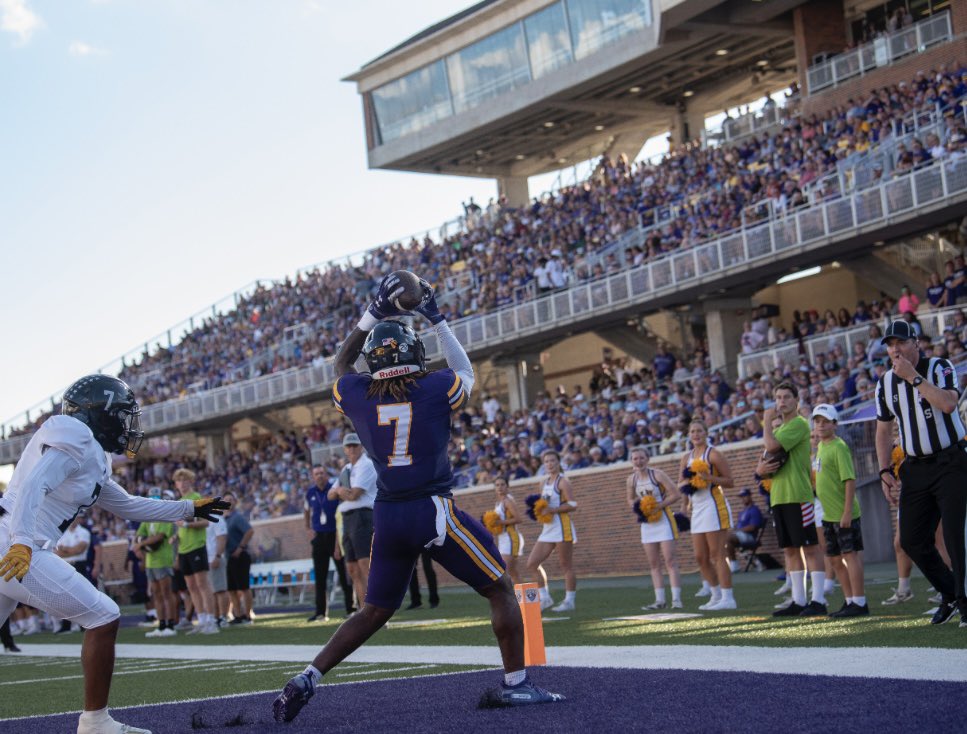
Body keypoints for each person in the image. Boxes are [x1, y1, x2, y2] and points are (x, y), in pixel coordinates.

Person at [273, 275, 563, 723]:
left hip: (388, 515)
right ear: (412, 353)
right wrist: (437, 317)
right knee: (500, 587)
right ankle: (516, 685)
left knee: (373, 611)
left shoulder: (356, 396)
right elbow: (465, 371)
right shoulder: (433, 389)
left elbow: (341, 363)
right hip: (432, 511)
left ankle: (307, 677)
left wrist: (372, 313)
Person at [0, 374, 228, 734]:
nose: (126, 423)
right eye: (121, 414)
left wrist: (187, 509)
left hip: (13, 541)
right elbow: (35, 483)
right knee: (103, 615)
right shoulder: (74, 434)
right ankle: (95, 723)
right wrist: (22, 541)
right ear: (99, 412)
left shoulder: (94, 455)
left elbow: (127, 505)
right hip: (16, 545)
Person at [875, 320, 967, 626]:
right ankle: (950, 592)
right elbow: (883, 430)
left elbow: (949, 404)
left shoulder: (939, 366)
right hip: (915, 466)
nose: (895, 349)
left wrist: (913, 378)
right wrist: (885, 469)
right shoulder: (885, 382)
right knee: (912, 540)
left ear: (916, 343)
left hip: (950, 461)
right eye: (890, 344)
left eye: (900, 342)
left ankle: (964, 602)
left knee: (955, 536)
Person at [758, 382, 827, 617]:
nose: (781, 401)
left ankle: (818, 599)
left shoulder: (798, 424)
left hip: (798, 494)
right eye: (778, 397)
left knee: (810, 548)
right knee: (789, 550)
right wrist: (760, 469)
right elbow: (765, 464)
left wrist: (766, 421)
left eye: (786, 397)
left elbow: (771, 446)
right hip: (779, 496)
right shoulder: (780, 429)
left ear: (796, 400)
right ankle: (798, 600)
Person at [812, 404, 868, 617]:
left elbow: (849, 479)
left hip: (843, 515)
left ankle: (860, 602)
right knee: (834, 559)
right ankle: (849, 600)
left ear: (835, 424)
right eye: (817, 421)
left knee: (849, 555)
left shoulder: (839, 446)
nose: (821, 425)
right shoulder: (821, 447)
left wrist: (846, 511)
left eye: (826, 421)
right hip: (828, 515)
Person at [680, 420, 736, 610]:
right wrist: (684, 504)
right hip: (697, 509)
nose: (696, 434)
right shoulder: (686, 457)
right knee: (700, 557)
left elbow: (730, 481)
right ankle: (715, 595)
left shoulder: (713, 454)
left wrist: (709, 478)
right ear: (689, 434)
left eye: (699, 431)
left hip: (714, 505)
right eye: (692, 431)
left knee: (717, 554)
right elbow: (682, 484)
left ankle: (728, 598)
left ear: (706, 432)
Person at [626, 447, 682, 610]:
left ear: (647, 459)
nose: (639, 461)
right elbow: (630, 499)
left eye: (642, 458)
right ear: (632, 461)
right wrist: (639, 507)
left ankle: (677, 600)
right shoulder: (631, 479)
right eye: (635, 459)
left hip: (664, 520)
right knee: (654, 563)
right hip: (647, 523)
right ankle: (660, 600)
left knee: (670, 560)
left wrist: (658, 506)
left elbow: (676, 494)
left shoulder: (657, 474)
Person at [329, 433, 377, 612]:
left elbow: (354, 494)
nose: (351, 449)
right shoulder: (346, 469)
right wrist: (343, 491)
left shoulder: (367, 465)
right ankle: (363, 610)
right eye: (348, 447)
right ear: (344, 449)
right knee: (352, 568)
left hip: (362, 516)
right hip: (347, 520)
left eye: (355, 446)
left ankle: (376, 609)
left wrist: (340, 491)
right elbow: (330, 494)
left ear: (361, 447)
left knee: (366, 564)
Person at [525, 449, 578, 612]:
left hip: (562, 527)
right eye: (546, 461)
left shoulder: (563, 482)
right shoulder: (543, 483)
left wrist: (552, 510)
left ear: (558, 462)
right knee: (532, 563)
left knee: (565, 565)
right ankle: (545, 598)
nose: (549, 464)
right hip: (547, 529)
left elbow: (573, 505)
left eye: (553, 461)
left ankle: (569, 601)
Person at [172, 469, 219, 635]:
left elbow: (206, 523)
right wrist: (176, 542)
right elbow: (179, 528)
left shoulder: (197, 498)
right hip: (184, 549)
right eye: (179, 481)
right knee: (191, 586)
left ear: (190, 482)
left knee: (202, 584)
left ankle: (212, 621)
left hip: (197, 546)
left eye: (185, 481)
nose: (182, 484)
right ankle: (202, 620)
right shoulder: (179, 501)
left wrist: (186, 525)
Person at [304, 464, 352, 622]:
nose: (319, 476)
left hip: (335, 536)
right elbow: (306, 510)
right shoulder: (310, 493)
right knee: (320, 576)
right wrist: (307, 528)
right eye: (316, 473)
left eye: (322, 473)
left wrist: (340, 539)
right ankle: (321, 613)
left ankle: (351, 609)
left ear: (326, 474)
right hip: (319, 538)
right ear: (313, 476)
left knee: (343, 574)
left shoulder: (334, 490)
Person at [135, 491, 179, 637]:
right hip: (150, 561)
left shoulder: (164, 516)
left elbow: (159, 537)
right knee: (157, 594)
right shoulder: (147, 518)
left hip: (163, 559)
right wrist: (140, 544)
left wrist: (141, 544)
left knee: (166, 593)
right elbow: (138, 535)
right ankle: (161, 625)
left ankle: (171, 624)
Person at [223, 491, 255, 625]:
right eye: (226, 500)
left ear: (235, 502)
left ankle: (248, 615)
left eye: (231, 499)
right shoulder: (222, 519)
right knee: (231, 589)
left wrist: (240, 547)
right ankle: (238, 615)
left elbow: (250, 531)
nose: (229, 502)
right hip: (228, 557)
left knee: (243, 587)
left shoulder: (237, 517)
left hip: (239, 556)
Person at [493, 476, 524, 585]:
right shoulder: (498, 503)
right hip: (503, 538)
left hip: (511, 537)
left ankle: (520, 599)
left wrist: (499, 523)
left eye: (502, 484)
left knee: (506, 572)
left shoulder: (508, 501)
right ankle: (524, 600)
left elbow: (519, 519)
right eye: (497, 485)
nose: (500, 487)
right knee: (513, 572)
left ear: (507, 486)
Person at [725, 489, 765, 569]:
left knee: (727, 537)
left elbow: (752, 527)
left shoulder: (754, 510)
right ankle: (734, 564)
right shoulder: (742, 512)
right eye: (741, 497)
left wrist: (737, 531)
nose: (743, 499)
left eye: (745, 496)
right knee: (725, 540)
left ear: (750, 496)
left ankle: (738, 559)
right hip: (739, 536)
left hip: (750, 537)